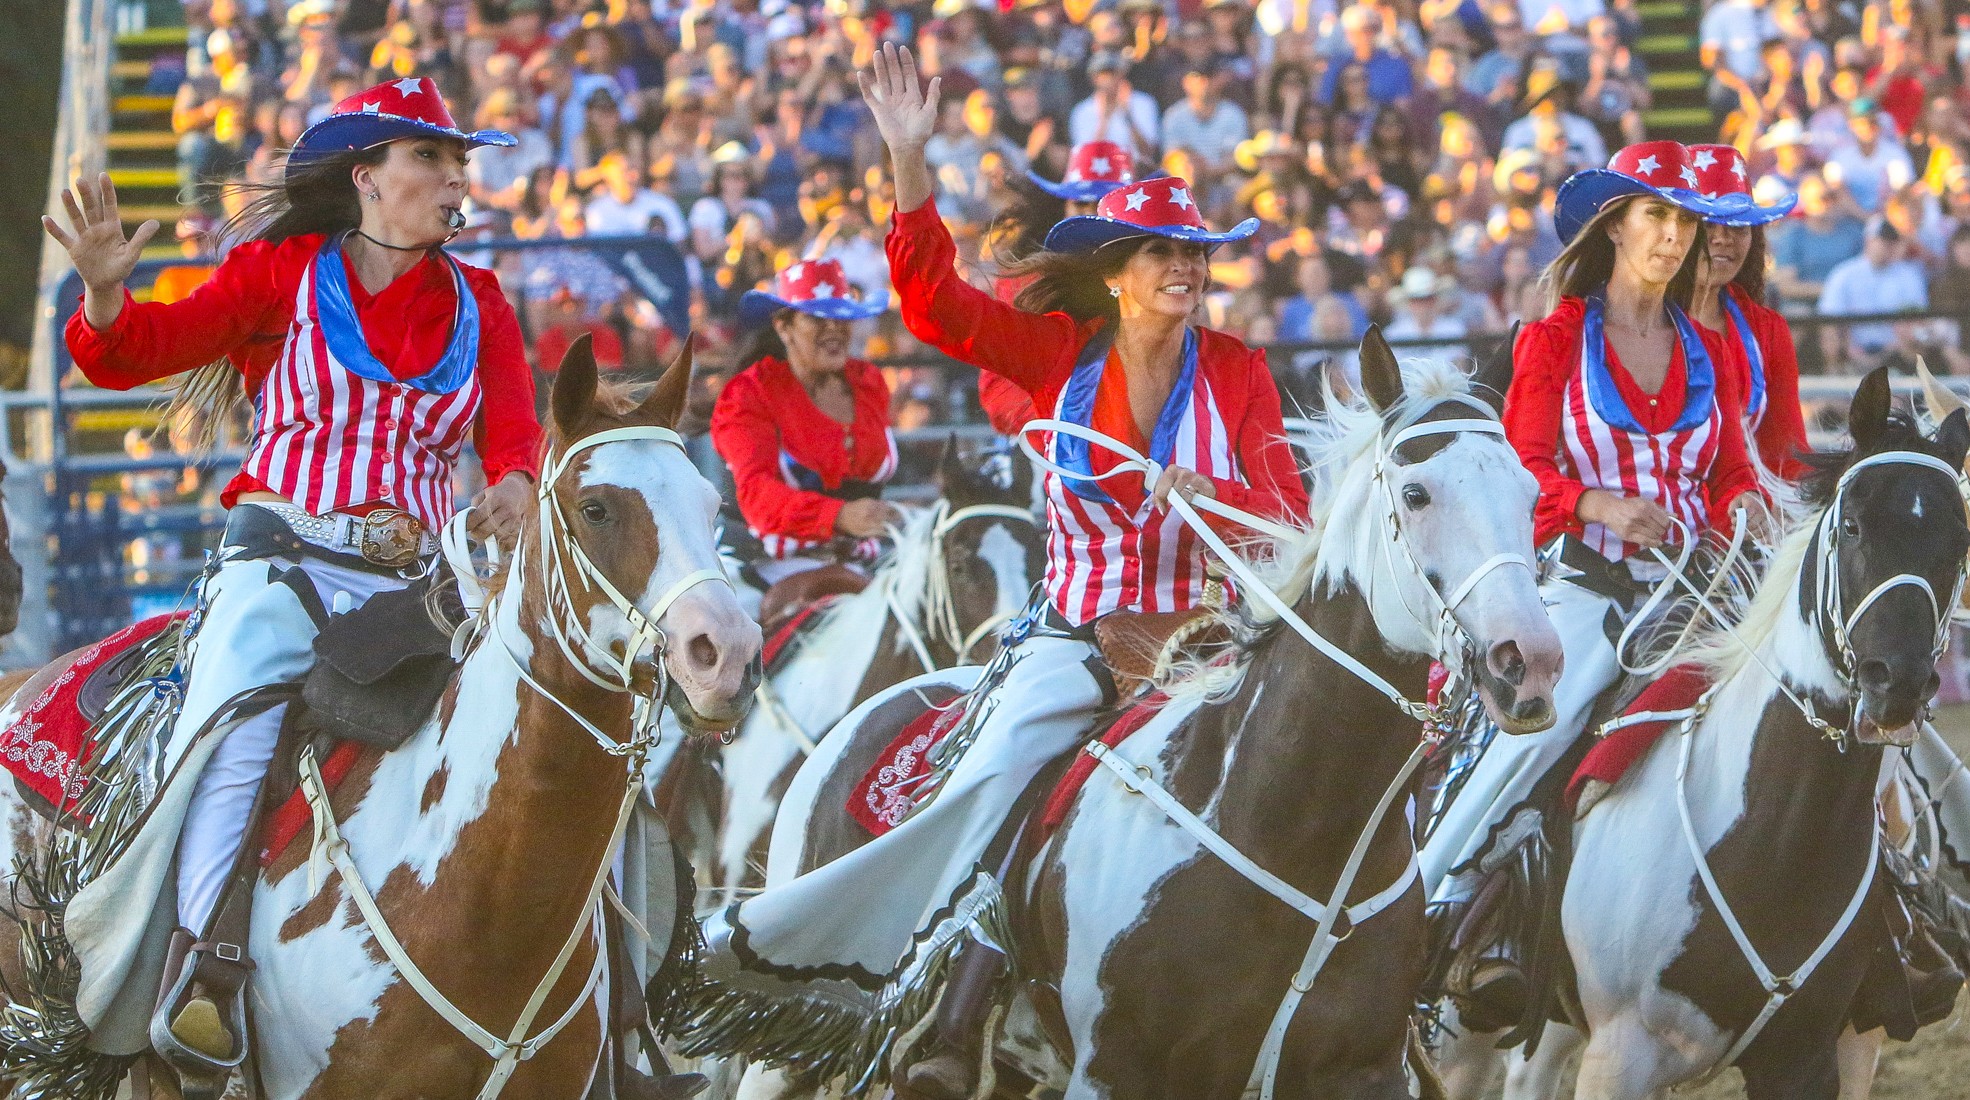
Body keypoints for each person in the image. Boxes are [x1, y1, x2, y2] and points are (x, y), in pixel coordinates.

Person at [679, 45, 1310, 1100]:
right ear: (1114, 271)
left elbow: (1287, 517)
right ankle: (951, 1008)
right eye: (1161, 253)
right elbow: (930, 306)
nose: (1186, 269)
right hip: (1076, 634)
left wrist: (1218, 502)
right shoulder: (1056, 350)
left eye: (1195, 252)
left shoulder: (1240, 370)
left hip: (1211, 640)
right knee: (1001, 765)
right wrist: (907, 158)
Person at [1420, 141, 1767, 1028]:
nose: (1672, 236)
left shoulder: (1709, 347)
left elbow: (1730, 472)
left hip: (1704, 592)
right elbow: (1524, 472)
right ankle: (1434, 906)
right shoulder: (1550, 341)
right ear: (1616, 226)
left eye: (1685, 221)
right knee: (1540, 732)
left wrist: (1744, 511)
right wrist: (1599, 503)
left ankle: (1898, 912)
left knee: (1815, 700)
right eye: (1656, 216)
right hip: (1589, 587)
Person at [709, 258, 900, 603]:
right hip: (763, 566)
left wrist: (897, 514)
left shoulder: (869, 383)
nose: (833, 329)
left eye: (841, 317)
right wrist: (839, 516)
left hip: (860, 563)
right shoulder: (750, 393)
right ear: (784, 328)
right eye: (816, 318)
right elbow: (757, 495)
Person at [977, 139, 1139, 433]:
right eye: (1080, 203)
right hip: (1050, 446)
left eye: (1104, 203)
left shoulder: (1155, 273)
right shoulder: (1029, 278)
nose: (1090, 214)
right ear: (1063, 207)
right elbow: (1003, 387)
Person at [1684, 143, 1811, 480]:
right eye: (1708, 225)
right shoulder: (1634, 323)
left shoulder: (1768, 330)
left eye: (1738, 226)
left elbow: (1788, 451)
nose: (1723, 239)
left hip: (1749, 516)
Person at [1817, 218, 1929, 373]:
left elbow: (1917, 319)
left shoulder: (1909, 275)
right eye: (1883, 240)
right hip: (1852, 355)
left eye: (1892, 241)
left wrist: (1895, 349)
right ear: (1869, 240)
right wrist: (1849, 351)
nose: (1888, 246)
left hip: (1896, 355)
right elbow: (1830, 319)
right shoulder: (1843, 274)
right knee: (1830, 335)